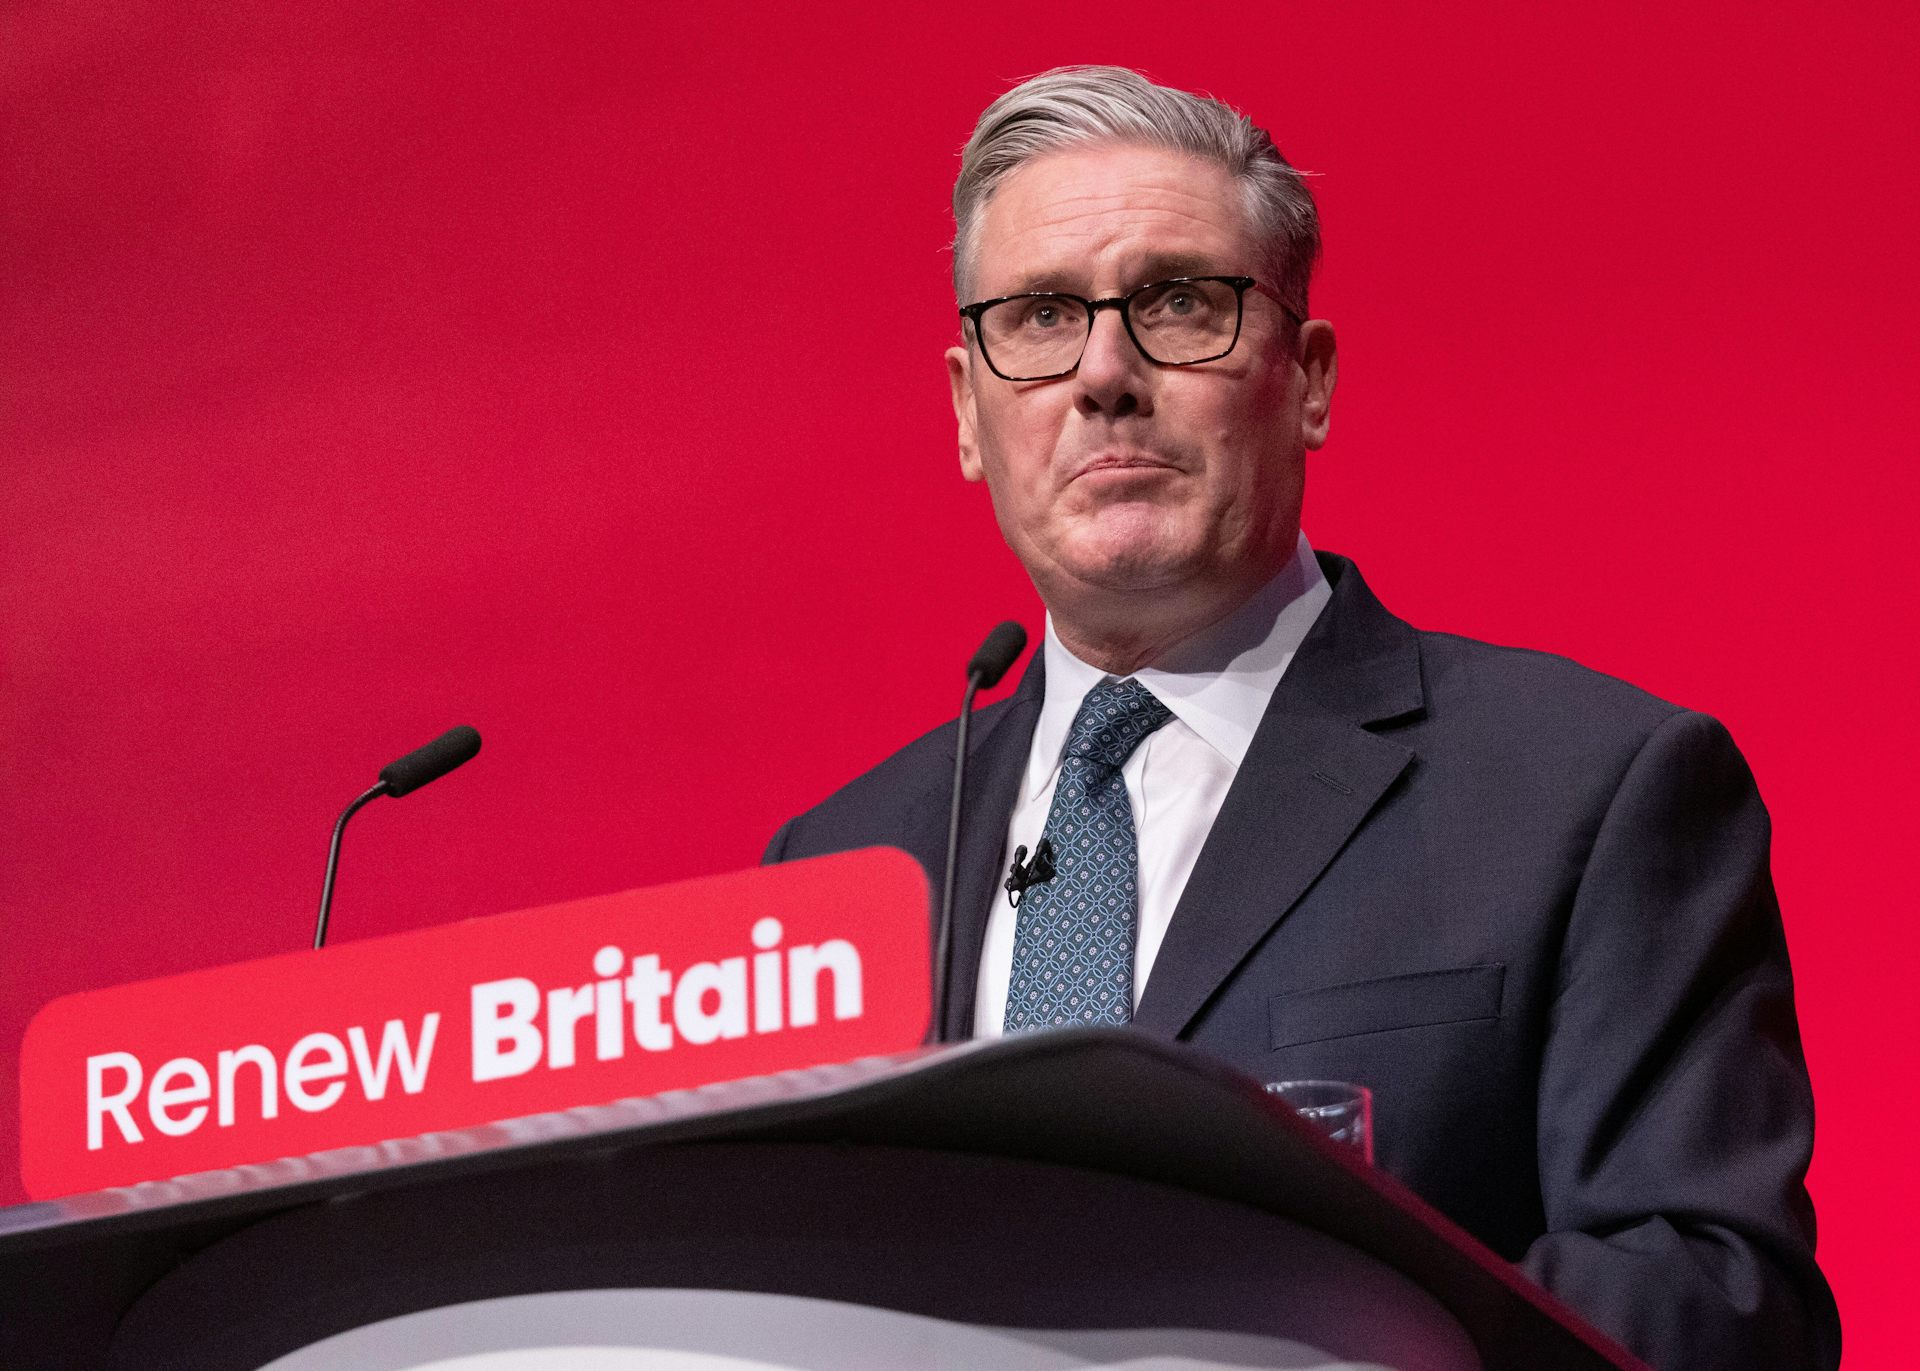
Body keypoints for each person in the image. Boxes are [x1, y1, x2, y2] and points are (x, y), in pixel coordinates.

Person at [763, 66, 1838, 1370]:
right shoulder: (838, 874)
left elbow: (1721, 1309)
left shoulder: (1590, 793)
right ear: (967, 413)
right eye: (1041, 316)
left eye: (1177, 302)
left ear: (1308, 378)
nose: (1105, 373)